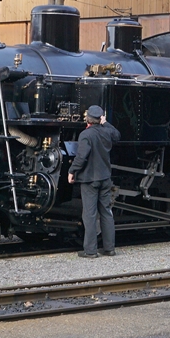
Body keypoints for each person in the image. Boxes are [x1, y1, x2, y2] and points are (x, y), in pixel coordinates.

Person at [68, 104, 120, 257]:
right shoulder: (107, 132)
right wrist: (105, 122)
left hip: (90, 179)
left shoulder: (86, 135)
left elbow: (81, 157)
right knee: (106, 212)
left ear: (87, 119)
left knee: (89, 214)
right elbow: (117, 135)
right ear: (100, 118)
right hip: (105, 178)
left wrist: (72, 171)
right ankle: (109, 248)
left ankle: (90, 251)